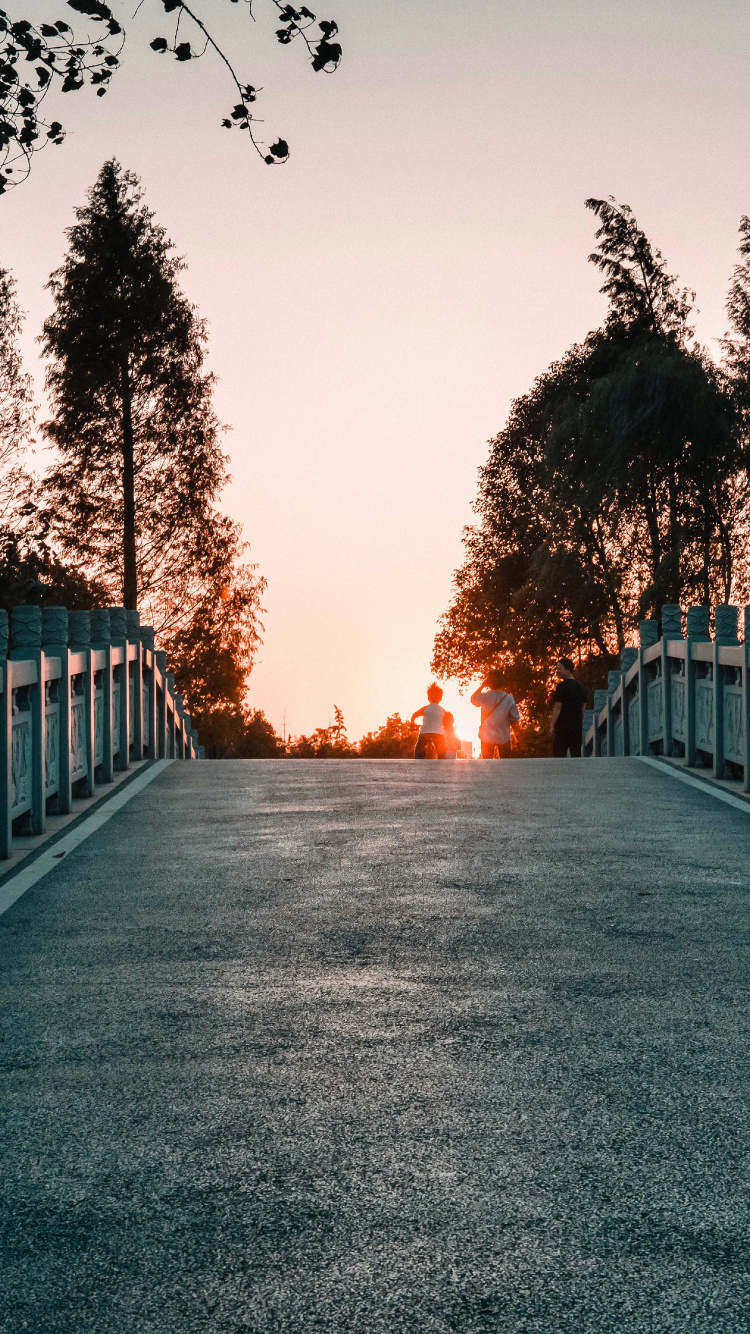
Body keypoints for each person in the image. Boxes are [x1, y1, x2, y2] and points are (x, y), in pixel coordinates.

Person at [470, 669, 520, 758]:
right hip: (503, 737)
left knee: (487, 765)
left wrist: (482, 686)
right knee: (505, 766)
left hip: (486, 736)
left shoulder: (484, 697)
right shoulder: (509, 699)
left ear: (488, 682)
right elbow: (514, 718)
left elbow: (473, 699)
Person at [548, 658, 587, 757]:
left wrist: (552, 726)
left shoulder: (561, 686)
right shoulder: (581, 687)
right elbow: (583, 708)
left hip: (562, 726)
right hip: (576, 726)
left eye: (559, 669)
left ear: (568, 669)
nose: (557, 671)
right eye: (556, 669)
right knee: (576, 754)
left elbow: (557, 707)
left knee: (559, 755)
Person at [411, 683, 447, 759]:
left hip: (425, 732)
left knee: (419, 748)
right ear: (441, 698)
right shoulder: (442, 710)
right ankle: (443, 762)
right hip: (438, 733)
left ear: (428, 697)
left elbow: (414, 715)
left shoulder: (425, 708)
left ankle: (418, 759)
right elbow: (447, 720)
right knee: (442, 751)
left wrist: (413, 724)